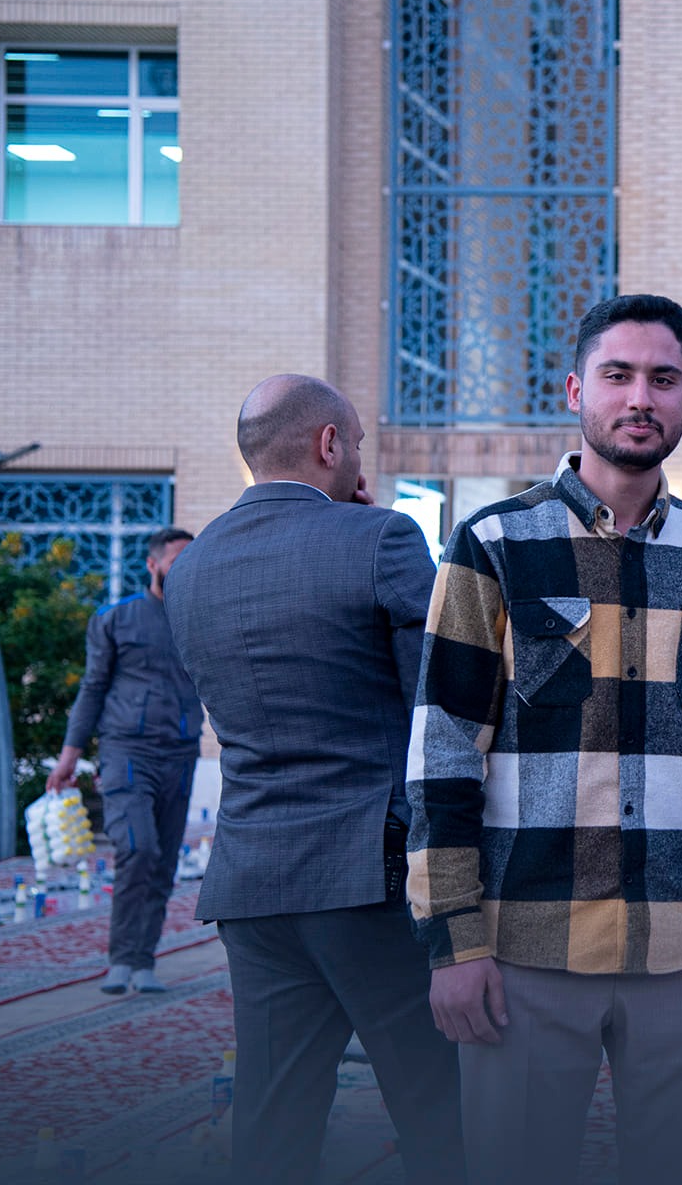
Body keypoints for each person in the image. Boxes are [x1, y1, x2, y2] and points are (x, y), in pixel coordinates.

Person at [407, 295, 682, 1185]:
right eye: (618, 376)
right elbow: (443, 753)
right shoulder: (494, 544)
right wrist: (454, 942)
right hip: (524, 944)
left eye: (663, 379)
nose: (640, 398)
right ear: (577, 390)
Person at [164, 374, 463, 1185]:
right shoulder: (382, 537)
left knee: (274, 1120)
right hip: (368, 879)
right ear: (329, 444)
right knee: (439, 1109)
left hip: (252, 882)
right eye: (356, 443)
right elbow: (438, 701)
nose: (360, 459)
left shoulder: (190, 569)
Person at [49, 527, 201, 995]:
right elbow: (92, 688)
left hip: (180, 755)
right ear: (153, 565)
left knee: (163, 862)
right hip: (126, 753)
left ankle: (143, 961)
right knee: (138, 848)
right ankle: (120, 959)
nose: (184, 570)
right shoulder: (115, 618)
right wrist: (69, 757)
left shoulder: (201, 619)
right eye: (176, 561)